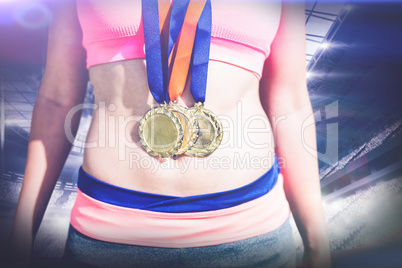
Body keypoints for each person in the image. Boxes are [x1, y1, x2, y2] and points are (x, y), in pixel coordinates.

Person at [8, 0, 331, 267]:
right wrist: (21, 237)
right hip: (109, 234)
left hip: (253, 232)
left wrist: (318, 244)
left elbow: (290, 104)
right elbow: (56, 100)